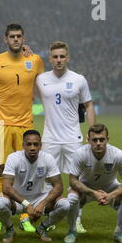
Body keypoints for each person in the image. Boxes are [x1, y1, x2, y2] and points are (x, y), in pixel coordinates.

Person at [0, 23, 44, 233]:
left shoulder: (35, 60)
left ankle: (24, 215)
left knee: (25, 171)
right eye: (12, 36)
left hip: (25, 124)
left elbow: (46, 86)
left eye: (19, 36)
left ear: (24, 39)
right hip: (0, 123)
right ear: (5, 39)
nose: (15, 39)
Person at [36, 41, 96, 233]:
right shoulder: (41, 79)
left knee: (76, 181)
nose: (59, 60)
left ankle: (76, 219)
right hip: (50, 139)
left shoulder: (79, 79)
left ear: (68, 57)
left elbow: (88, 105)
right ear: (50, 58)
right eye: (55, 57)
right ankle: (52, 218)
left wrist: (92, 132)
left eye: (62, 56)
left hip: (73, 138)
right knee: (48, 182)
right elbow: (21, 92)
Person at [64, 124, 122, 243]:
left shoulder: (118, 155)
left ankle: (119, 232)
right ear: (88, 140)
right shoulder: (80, 153)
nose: (98, 143)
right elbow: (73, 181)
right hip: (86, 188)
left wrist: (111, 195)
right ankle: (72, 231)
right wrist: (93, 193)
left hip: (109, 187)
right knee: (71, 198)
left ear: (107, 139)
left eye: (102, 139)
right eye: (94, 140)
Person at [0, 130, 70, 243]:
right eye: (29, 144)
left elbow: (59, 186)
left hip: (39, 198)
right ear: (23, 145)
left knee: (65, 204)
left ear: (41, 145)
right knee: (0, 203)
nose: (32, 147)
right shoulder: (13, 158)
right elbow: (6, 188)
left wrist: (42, 204)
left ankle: (42, 227)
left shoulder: (48, 158)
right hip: (18, 200)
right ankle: (10, 229)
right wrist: (27, 204)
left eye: (36, 144)